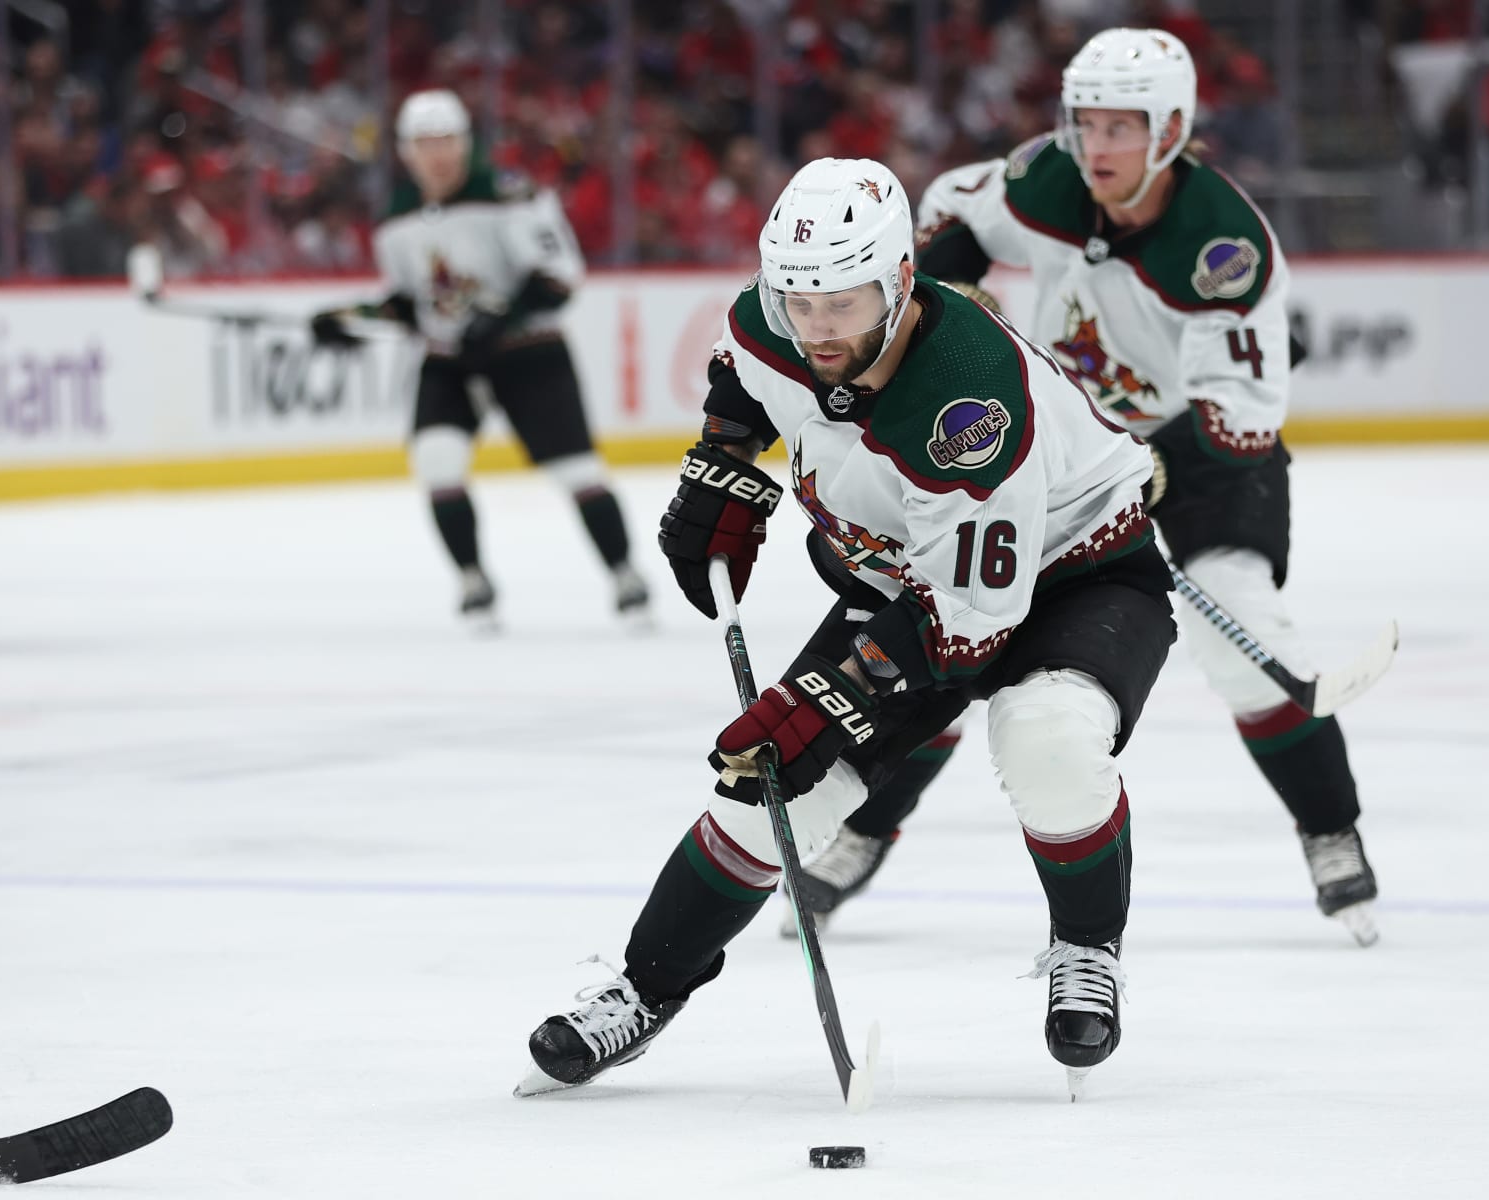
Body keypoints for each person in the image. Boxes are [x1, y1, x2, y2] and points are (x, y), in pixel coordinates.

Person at [517, 156, 1176, 1099]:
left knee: (1048, 740)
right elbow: (744, 369)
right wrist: (725, 459)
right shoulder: (770, 318)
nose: (819, 329)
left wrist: (829, 699)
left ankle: (1086, 947)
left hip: (1078, 577)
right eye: (801, 300)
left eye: (846, 302)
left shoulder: (966, 401)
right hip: (914, 582)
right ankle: (643, 990)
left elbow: (970, 628)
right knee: (770, 798)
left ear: (901, 283)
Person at [789, 27, 1380, 946]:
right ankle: (865, 830)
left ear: (1173, 129)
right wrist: (936, 320)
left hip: (1195, 454)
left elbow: (1243, 423)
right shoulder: (1044, 179)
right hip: (1054, 448)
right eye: (1084, 124)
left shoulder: (1223, 246)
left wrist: (1157, 468)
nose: (1095, 149)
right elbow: (945, 214)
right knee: (953, 624)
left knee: (1240, 630)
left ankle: (1330, 828)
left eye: (1121, 129)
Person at [309, 89, 648, 629]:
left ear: (466, 144)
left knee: (576, 472)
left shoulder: (509, 194)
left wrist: (502, 318)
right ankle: (473, 578)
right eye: (425, 143)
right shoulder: (395, 219)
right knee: (436, 461)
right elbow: (413, 303)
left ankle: (624, 572)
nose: (437, 154)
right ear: (406, 151)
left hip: (527, 354)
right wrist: (352, 320)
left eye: (446, 140)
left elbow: (559, 279)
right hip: (451, 360)